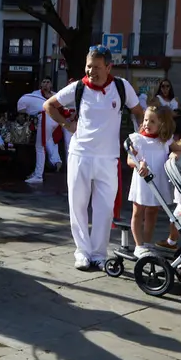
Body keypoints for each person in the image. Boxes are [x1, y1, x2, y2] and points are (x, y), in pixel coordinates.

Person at [45, 45, 145, 272]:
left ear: (108, 67)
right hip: (80, 155)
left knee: (104, 209)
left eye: (97, 67)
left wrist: (139, 140)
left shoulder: (121, 87)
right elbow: (49, 105)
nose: (91, 71)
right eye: (89, 66)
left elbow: (138, 112)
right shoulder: (78, 87)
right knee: (78, 206)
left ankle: (99, 254)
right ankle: (82, 252)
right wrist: (66, 124)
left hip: (108, 159)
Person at [125, 106, 176, 257]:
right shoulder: (137, 139)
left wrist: (176, 155)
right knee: (138, 211)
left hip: (158, 179)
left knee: (153, 211)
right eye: (146, 120)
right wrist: (139, 163)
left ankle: (147, 242)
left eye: (152, 121)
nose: (147, 123)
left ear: (162, 124)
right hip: (142, 180)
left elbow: (178, 150)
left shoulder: (165, 140)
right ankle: (138, 245)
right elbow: (129, 159)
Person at [17, 78, 62, 184]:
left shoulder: (24, 100)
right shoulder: (35, 95)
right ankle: (55, 161)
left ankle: (38, 175)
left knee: (40, 147)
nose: (45, 84)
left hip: (46, 118)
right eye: (44, 82)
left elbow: (21, 113)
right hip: (53, 118)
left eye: (48, 82)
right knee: (48, 141)